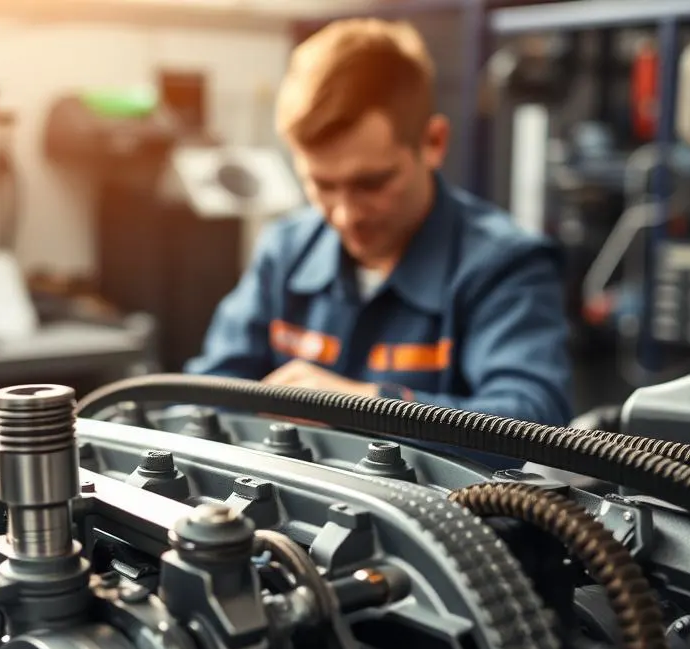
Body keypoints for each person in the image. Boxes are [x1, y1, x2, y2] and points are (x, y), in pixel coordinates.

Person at [184, 18, 573, 426]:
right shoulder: (285, 251)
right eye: (322, 184)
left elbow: (533, 419)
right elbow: (207, 394)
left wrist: (361, 405)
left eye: (371, 183)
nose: (345, 214)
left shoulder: (504, 265)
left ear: (433, 143)